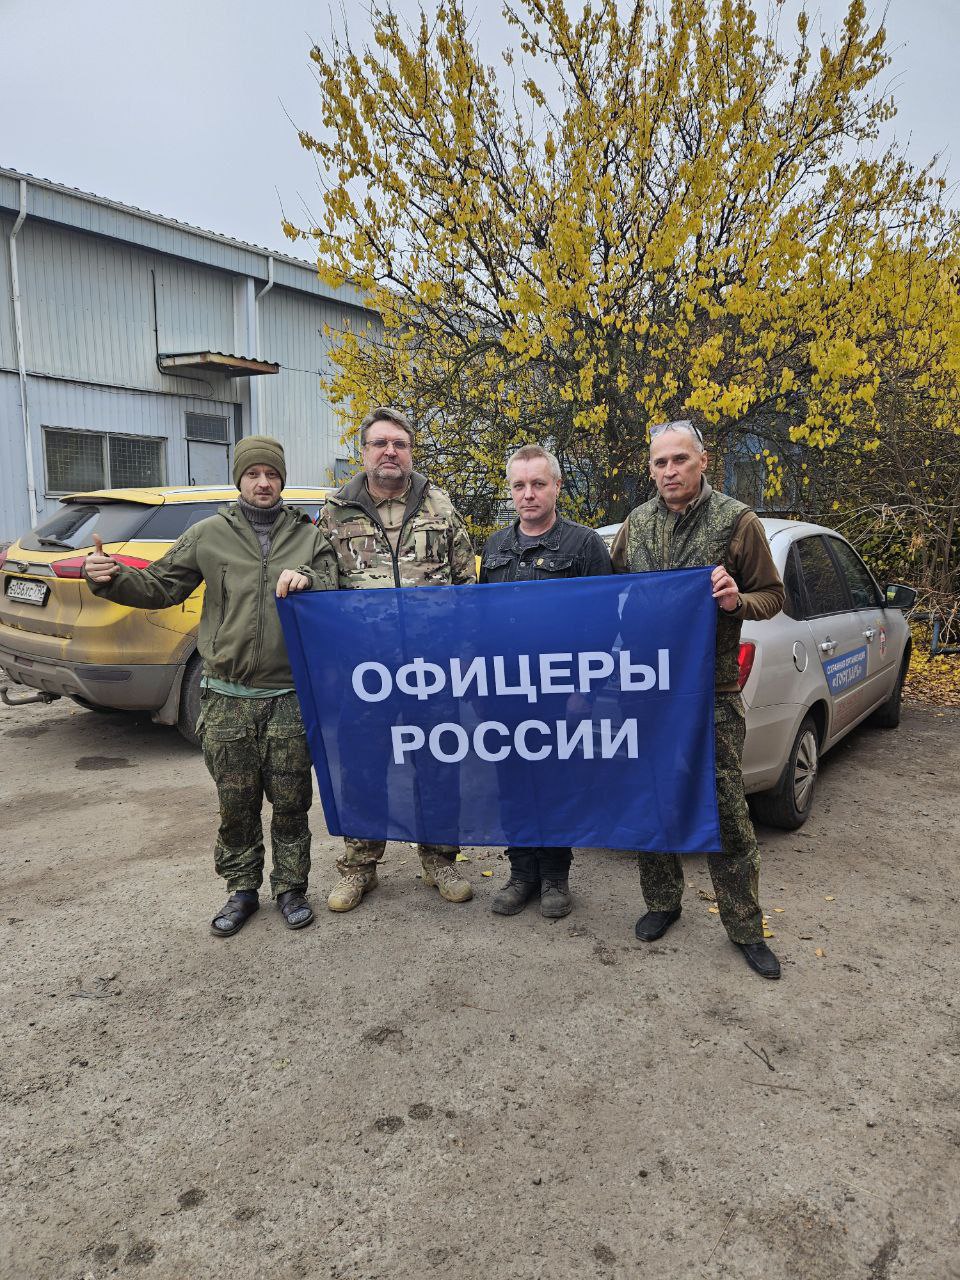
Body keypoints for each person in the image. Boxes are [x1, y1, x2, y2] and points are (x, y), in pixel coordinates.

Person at [83, 436, 338, 938]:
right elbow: (160, 586)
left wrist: (308, 578)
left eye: (271, 474)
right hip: (226, 697)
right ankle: (241, 890)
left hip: (289, 695)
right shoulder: (208, 534)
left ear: (282, 480)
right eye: (252, 474)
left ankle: (291, 888)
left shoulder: (308, 536)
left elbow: (335, 580)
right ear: (238, 479)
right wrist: (108, 579)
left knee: (291, 802)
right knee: (236, 804)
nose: (262, 483)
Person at [610, 420, 785, 979]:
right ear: (650, 469)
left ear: (703, 461)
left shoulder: (737, 521)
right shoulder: (636, 524)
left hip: (712, 694)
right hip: (649, 694)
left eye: (680, 459)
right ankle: (663, 902)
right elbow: (609, 592)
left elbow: (773, 595)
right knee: (653, 800)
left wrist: (737, 602)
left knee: (725, 811)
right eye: (660, 462)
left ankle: (745, 927)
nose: (670, 471)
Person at [319, 406, 476, 912]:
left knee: (438, 764)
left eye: (400, 444)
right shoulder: (335, 511)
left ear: (411, 452)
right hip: (367, 672)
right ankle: (359, 866)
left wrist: (462, 658)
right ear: (363, 451)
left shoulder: (440, 505)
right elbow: (322, 588)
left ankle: (439, 860)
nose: (390, 452)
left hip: (432, 670)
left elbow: (466, 585)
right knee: (364, 766)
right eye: (380, 443)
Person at [478, 443, 612, 919]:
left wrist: (584, 691)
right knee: (512, 782)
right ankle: (521, 874)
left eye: (538, 484)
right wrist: (482, 687)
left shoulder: (584, 545)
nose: (528, 494)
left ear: (556, 485)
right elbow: (482, 623)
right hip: (507, 692)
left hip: (560, 695)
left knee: (557, 783)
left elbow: (604, 626)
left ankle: (555, 875)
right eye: (519, 485)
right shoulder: (495, 547)